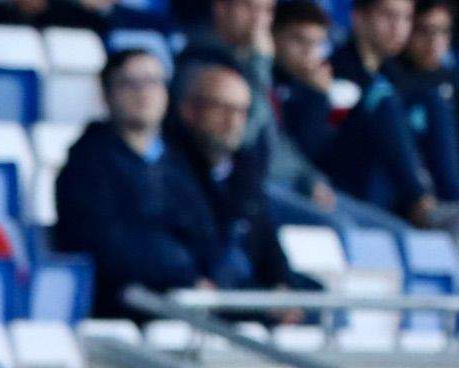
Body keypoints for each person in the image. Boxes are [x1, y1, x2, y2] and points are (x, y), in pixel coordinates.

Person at [52, 50, 221, 319]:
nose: (144, 93)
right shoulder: (85, 166)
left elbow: (206, 234)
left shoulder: (183, 162)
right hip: (118, 308)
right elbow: (106, 247)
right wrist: (183, 277)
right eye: (130, 83)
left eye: (153, 82)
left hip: (186, 302)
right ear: (106, 94)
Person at [270, 0, 434, 224]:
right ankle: (422, 203)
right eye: (299, 41)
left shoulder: (394, 76)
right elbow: (315, 146)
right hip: (315, 185)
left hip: (345, 186)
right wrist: (318, 98)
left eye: (317, 44)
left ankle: (437, 202)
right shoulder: (331, 76)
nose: (309, 53)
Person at [179, 0, 332, 205]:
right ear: (222, 7)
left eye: (267, 10)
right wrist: (261, 61)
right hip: (234, 193)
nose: (259, 19)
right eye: (249, 7)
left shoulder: (248, 61)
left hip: (282, 184)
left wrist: (308, 176)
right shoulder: (203, 60)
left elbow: (276, 139)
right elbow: (242, 137)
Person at [169, 57, 297, 293]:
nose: (233, 122)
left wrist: (281, 284)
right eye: (222, 108)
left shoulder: (246, 170)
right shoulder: (167, 170)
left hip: (251, 294)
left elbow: (267, 240)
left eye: (241, 112)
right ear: (189, 110)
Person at [326, 0, 439, 223]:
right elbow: (328, 130)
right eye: (388, 16)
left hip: (391, 189)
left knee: (434, 101)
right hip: (346, 181)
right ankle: (423, 204)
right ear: (358, 18)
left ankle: (453, 202)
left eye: (406, 18)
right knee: (382, 101)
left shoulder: (400, 77)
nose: (398, 27)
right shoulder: (332, 70)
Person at [395, 0, 459, 206]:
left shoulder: (451, 80)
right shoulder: (390, 74)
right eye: (425, 31)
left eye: (443, 32)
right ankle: (457, 203)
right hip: (405, 190)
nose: (434, 41)